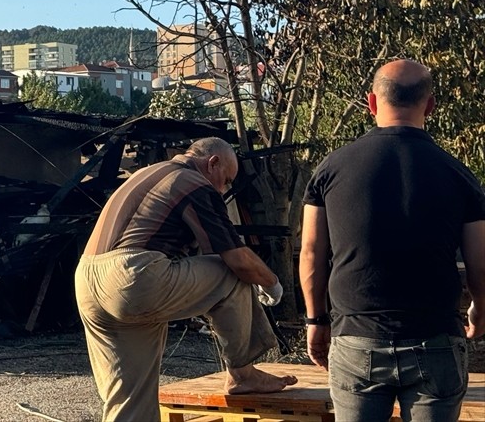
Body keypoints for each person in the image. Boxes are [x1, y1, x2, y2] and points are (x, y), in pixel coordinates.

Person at [300, 59, 485, 421]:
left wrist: (315, 320)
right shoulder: (458, 174)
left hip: (356, 339)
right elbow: (481, 260)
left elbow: (310, 253)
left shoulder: (331, 169)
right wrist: (480, 306)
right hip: (436, 339)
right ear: (429, 105)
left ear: (371, 102)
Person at [75, 137, 297, 422]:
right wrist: (272, 283)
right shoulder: (193, 181)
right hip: (134, 277)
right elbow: (238, 259)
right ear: (212, 163)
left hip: (87, 280)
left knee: (131, 399)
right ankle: (242, 374)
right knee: (233, 272)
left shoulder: (145, 174)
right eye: (226, 179)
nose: (224, 188)